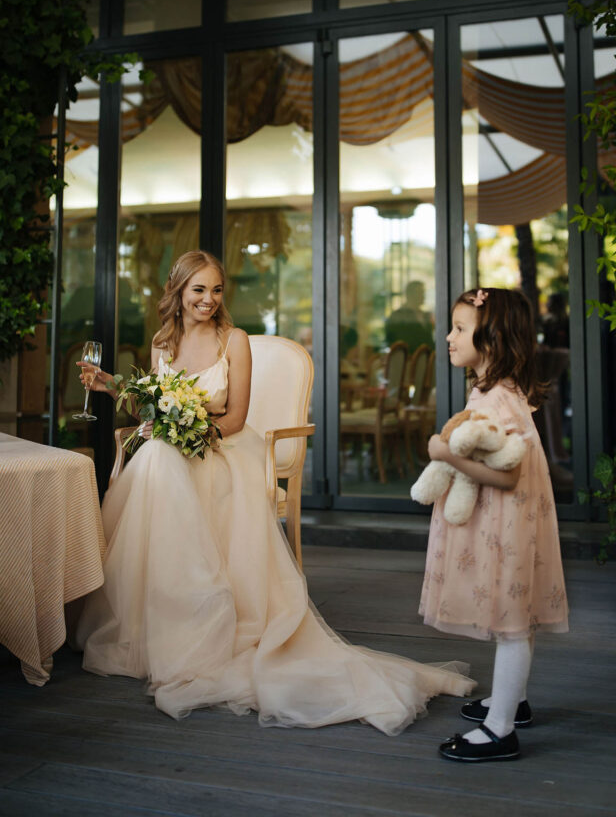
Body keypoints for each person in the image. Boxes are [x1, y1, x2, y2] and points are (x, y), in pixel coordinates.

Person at [75, 250, 474, 731]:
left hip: (222, 450)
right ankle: (157, 626)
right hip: (176, 449)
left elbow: (237, 416)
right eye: (198, 289)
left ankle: (202, 627)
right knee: (157, 457)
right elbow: (152, 411)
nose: (208, 299)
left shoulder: (234, 341)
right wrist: (112, 387)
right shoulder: (163, 343)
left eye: (216, 290)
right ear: (178, 292)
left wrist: (184, 437)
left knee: (159, 458)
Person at [419, 287, 568, 762]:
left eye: (461, 328)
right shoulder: (491, 389)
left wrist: (444, 456)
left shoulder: (498, 398)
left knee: (510, 620)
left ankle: (501, 729)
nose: (449, 336)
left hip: (506, 520)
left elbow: (505, 476)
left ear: (494, 339)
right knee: (512, 612)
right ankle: (513, 701)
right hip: (506, 521)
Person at [385, 280, 435, 354]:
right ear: (410, 295)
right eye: (420, 292)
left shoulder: (426, 315)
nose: (423, 296)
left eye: (423, 292)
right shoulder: (398, 316)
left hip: (427, 361)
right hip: (408, 361)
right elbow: (394, 342)